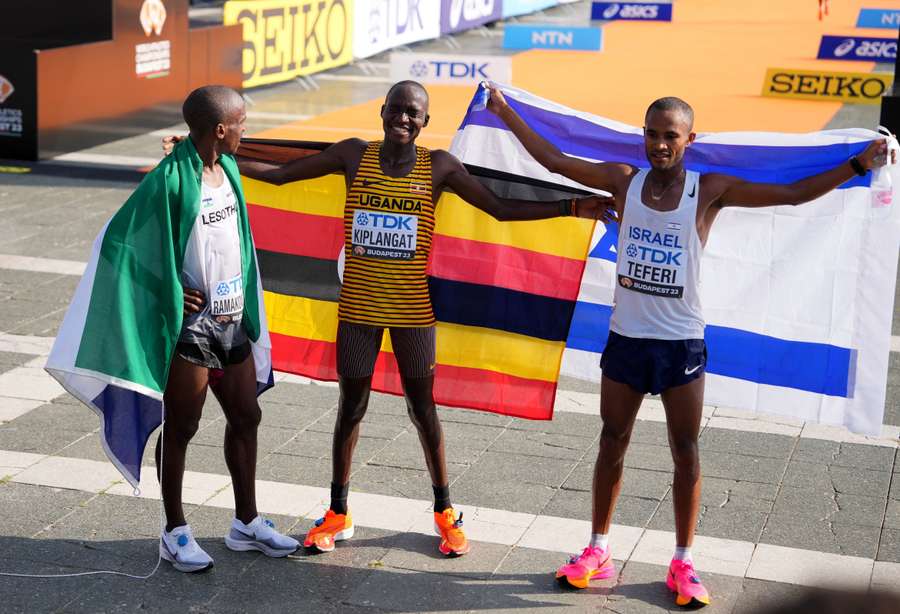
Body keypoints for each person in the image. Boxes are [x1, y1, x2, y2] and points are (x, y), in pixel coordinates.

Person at [170, 80, 615, 558]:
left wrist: (571, 206)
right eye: (396, 110)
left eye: (414, 114)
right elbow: (282, 175)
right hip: (359, 309)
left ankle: (446, 510)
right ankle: (338, 510)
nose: (403, 119)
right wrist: (203, 154)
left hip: (411, 313)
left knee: (423, 411)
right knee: (350, 408)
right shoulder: (352, 155)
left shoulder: (438, 165)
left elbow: (499, 208)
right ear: (382, 111)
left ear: (425, 123)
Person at [486, 85, 891, 606]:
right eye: (652, 134)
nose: (659, 144)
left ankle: (682, 561)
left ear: (689, 139)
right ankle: (598, 548)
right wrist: (504, 112)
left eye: (669, 136)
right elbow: (555, 159)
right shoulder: (621, 180)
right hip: (627, 338)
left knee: (686, 451)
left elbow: (791, 193)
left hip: (680, 344)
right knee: (612, 439)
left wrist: (858, 164)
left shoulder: (710, 189)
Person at [157, 86, 299, 572]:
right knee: (182, 427)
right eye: (241, 122)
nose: (246, 129)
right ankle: (174, 532)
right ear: (220, 129)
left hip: (232, 317)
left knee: (246, 417)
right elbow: (128, 242)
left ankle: (245, 524)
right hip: (192, 329)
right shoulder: (172, 179)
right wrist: (172, 287)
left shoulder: (229, 170)